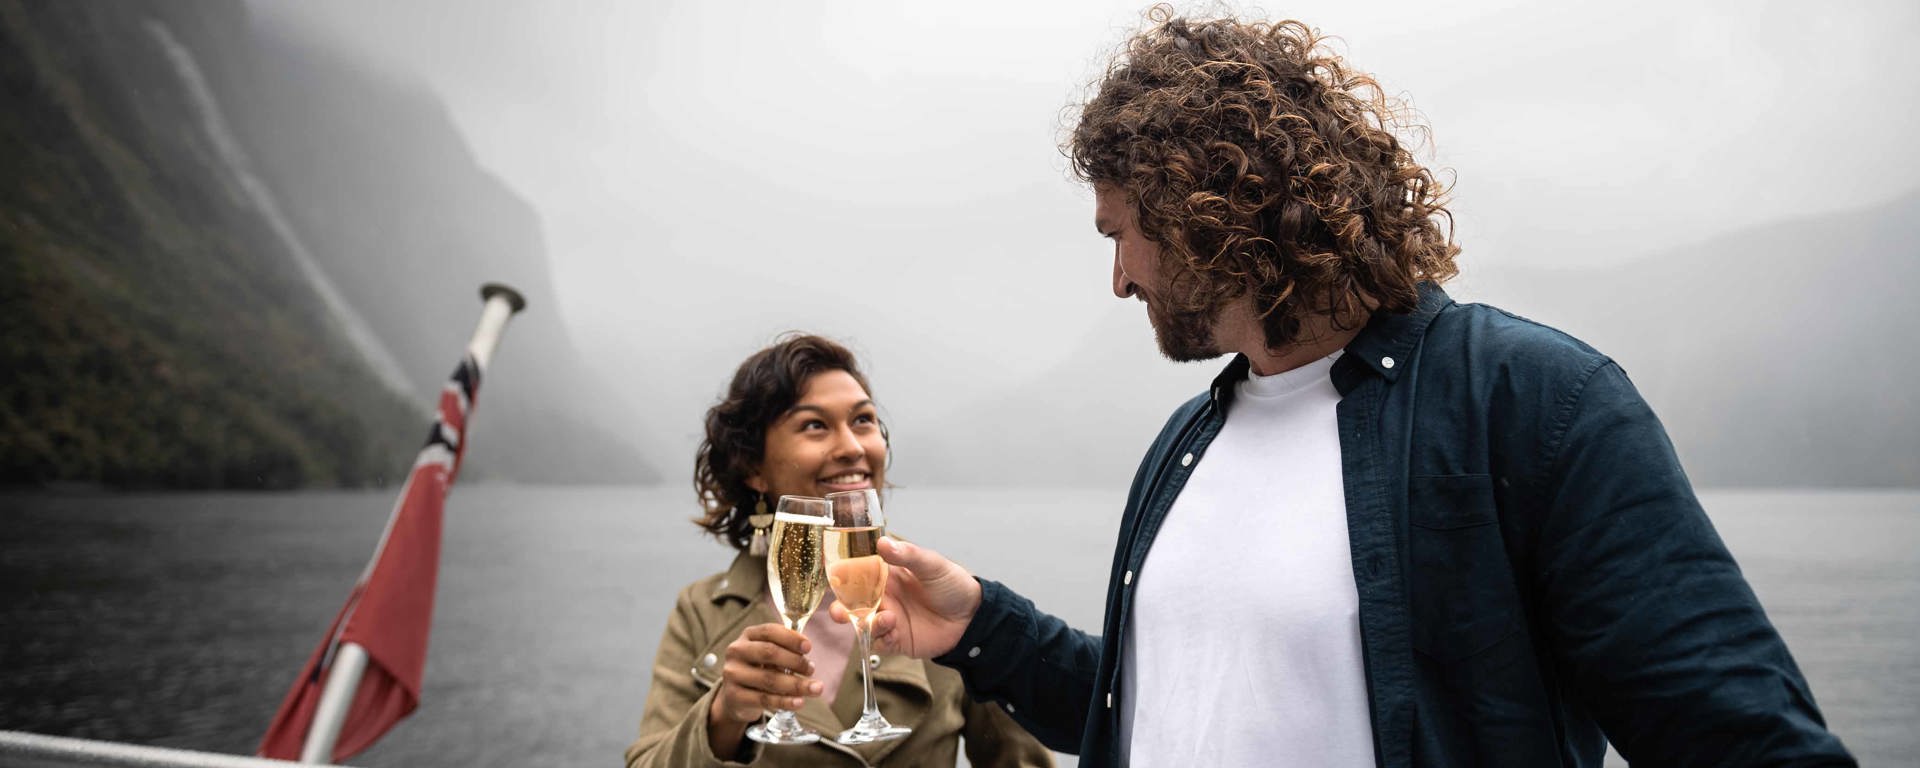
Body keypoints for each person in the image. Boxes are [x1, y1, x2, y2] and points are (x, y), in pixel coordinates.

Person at [829, 8, 1857, 767]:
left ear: (1204, 203)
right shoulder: (1188, 444)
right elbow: (1165, 704)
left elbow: (1741, 738)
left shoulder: (1534, 406)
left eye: (1119, 234)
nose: (1118, 279)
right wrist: (983, 629)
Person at [624, 334, 1053, 768]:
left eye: (863, 420)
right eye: (814, 425)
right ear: (753, 467)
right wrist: (724, 716)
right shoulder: (701, 611)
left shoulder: (944, 598)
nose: (852, 447)